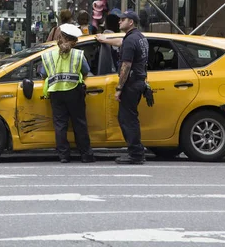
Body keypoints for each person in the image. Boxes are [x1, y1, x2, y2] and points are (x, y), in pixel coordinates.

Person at [97, 10, 149, 164]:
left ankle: (136, 154)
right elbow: (121, 42)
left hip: (131, 85)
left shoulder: (131, 40)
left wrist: (119, 88)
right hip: (139, 82)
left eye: (123, 19)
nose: (119, 22)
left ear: (131, 22)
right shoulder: (138, 37)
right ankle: (136, 152)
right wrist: (105, 40)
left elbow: (126, 65)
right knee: (129, 118)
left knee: (128, 120)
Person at [40, 23, 95, 163]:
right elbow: (85, 71)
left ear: (60, 37)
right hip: (74, 91)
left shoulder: (48, 55)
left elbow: (42, 73)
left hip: (56, 92)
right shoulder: (78, 55)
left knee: (60, 125)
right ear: (74, 41)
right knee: (79, 123)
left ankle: (64, 156)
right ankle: (86, 155)